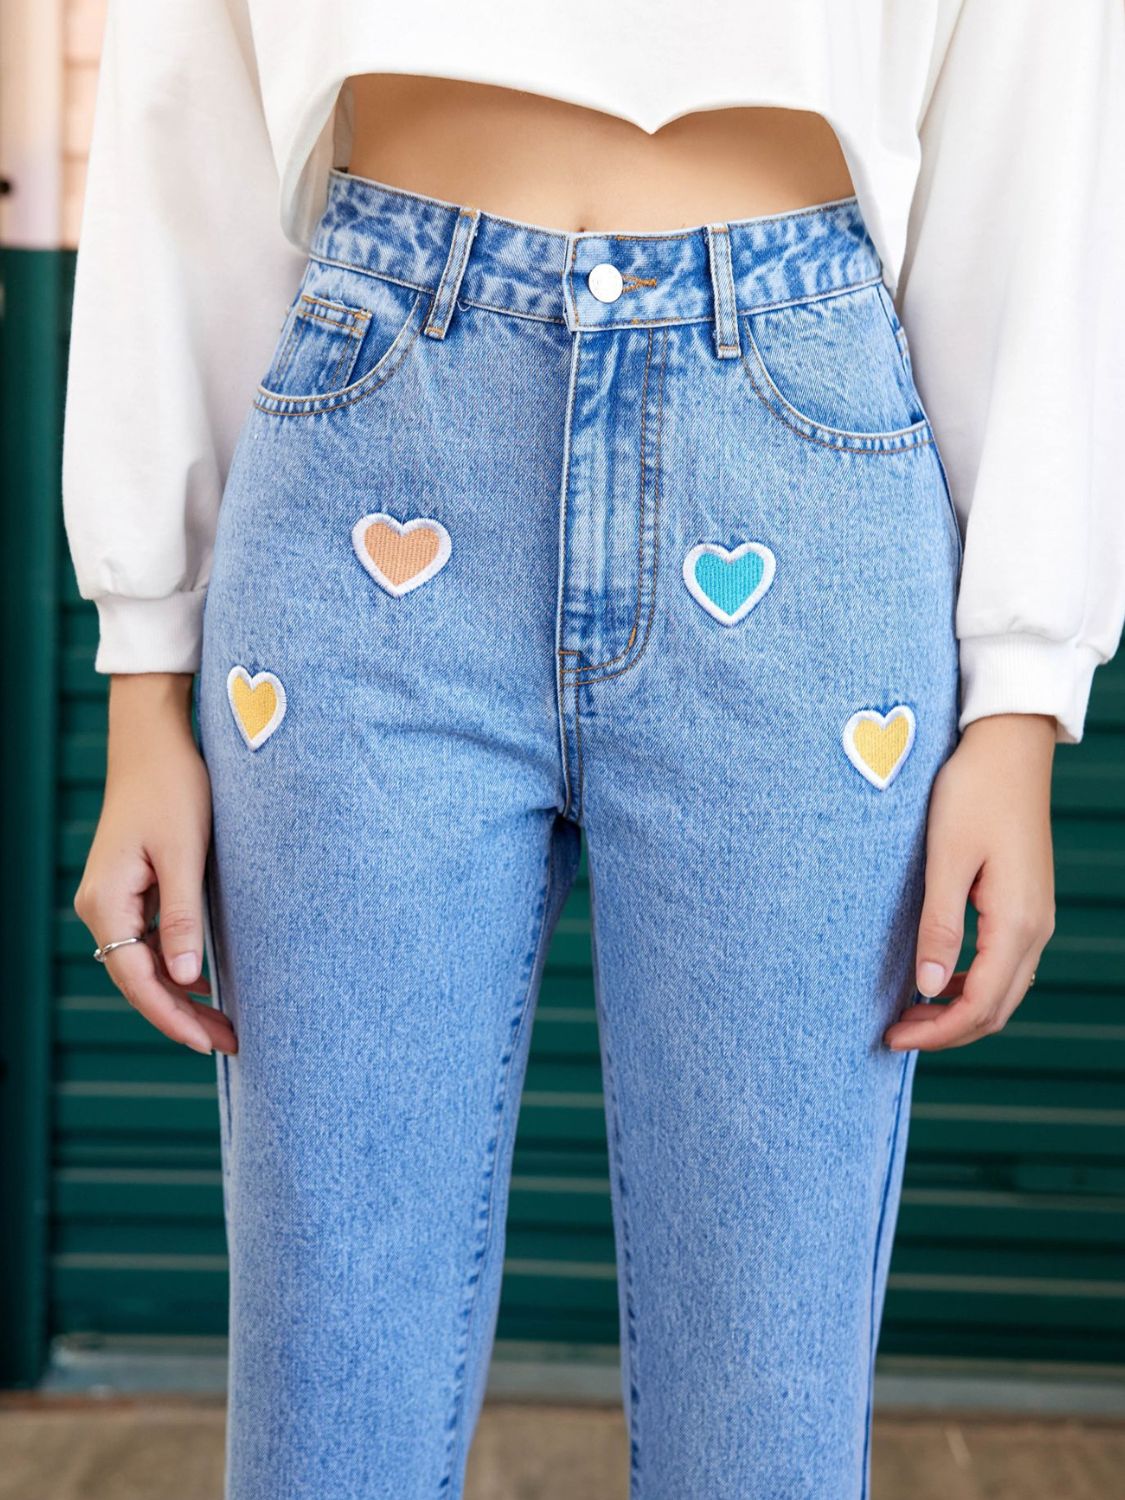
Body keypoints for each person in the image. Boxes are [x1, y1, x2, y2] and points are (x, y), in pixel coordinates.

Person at [62, 4, 1125, 1498]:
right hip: (371, 442)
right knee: (326, 1384)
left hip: (798, 459)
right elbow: (186, 116)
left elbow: (1037, 126)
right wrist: (144, 680)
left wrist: (1018, 699)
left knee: (765, 1402)